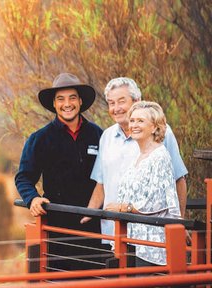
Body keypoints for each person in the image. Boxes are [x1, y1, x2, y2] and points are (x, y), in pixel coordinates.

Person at [80, 78, 187, 245]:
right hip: (113, 232)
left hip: (149, 234)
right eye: (111, 103)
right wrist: (88, 213)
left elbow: (178, 179)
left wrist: (180, 224)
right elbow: (101, 184)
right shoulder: (106, 137)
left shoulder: (159, 133)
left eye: (121, 101)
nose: (116, 108)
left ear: (137, 101)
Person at [15, 73, 105, 271]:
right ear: (54, 105)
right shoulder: (40, 139)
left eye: (72, 98)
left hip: (95, 228)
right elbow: (24, 177)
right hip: (57, 227)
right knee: (59, 280)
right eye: (61, 99)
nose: (67, 104)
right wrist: (33, 199)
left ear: (80, 101)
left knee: (97, 281)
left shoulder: (99, 135)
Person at [105, 101, 181, 266]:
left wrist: (124, 207)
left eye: (140, 121)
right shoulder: (137, 157)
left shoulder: (160, 157)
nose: (134, 125)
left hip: (151, 244)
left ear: (154, 127)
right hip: (131, 239)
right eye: (132, 120)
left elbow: (157, 201)